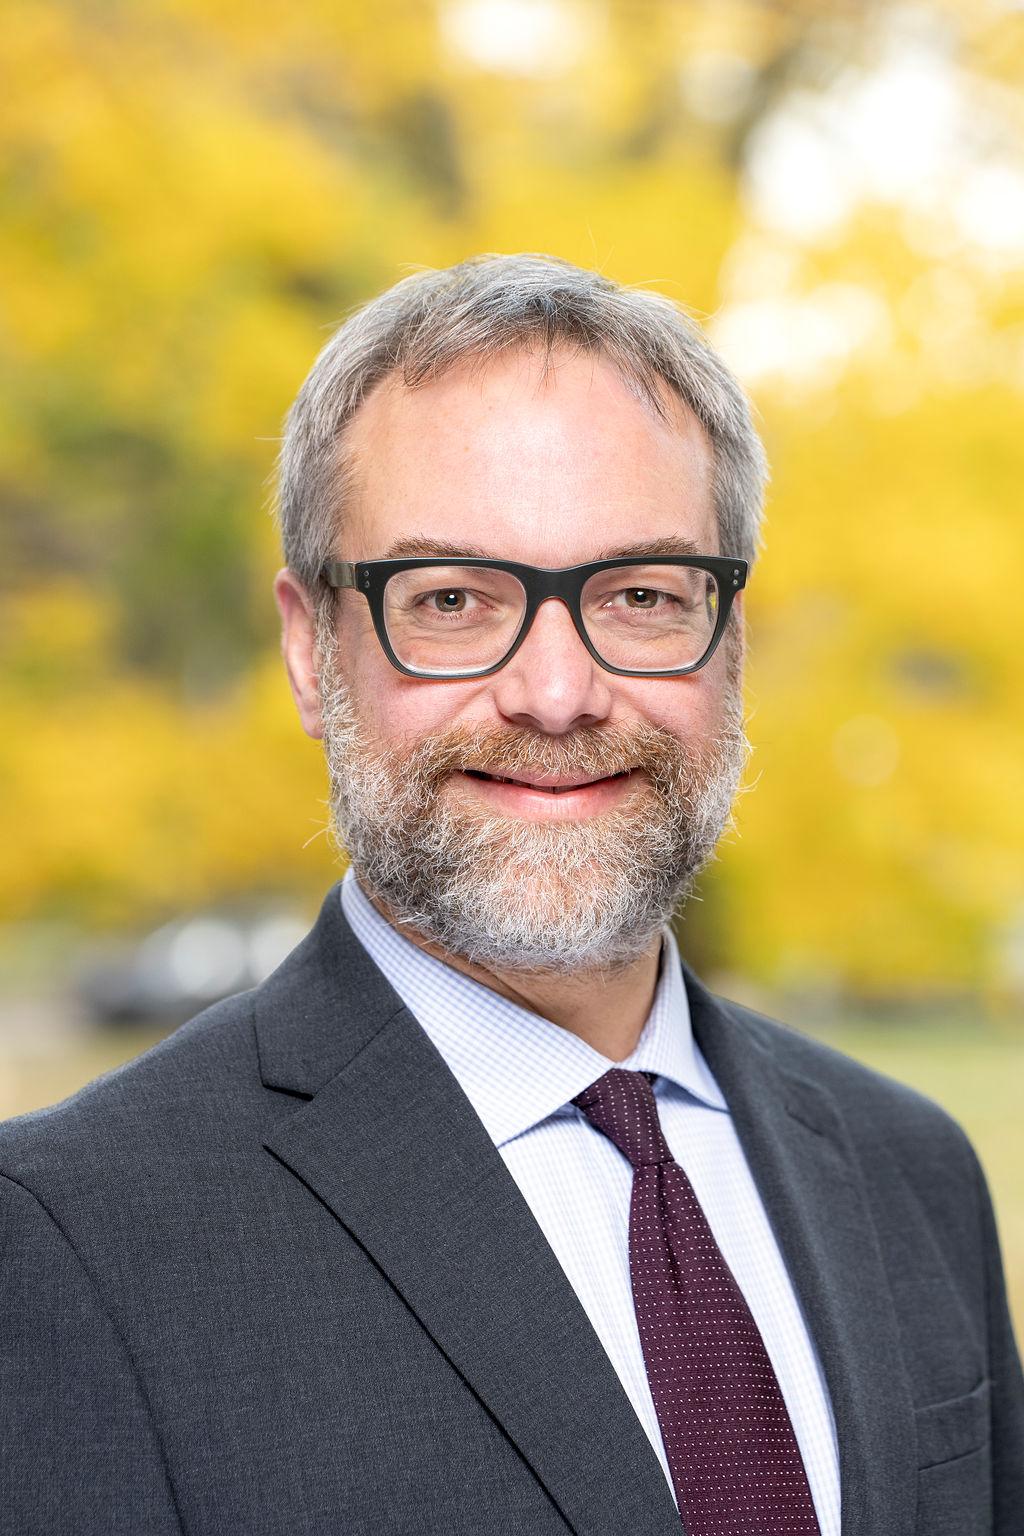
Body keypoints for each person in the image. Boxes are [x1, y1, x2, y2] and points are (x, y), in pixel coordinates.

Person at [1, 255, 1020, 1536]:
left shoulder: (909, 1172)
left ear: (731, 642)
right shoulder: (65, 1243)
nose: (555, 692)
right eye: (452, 601)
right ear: (315, 650)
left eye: (641, 596)